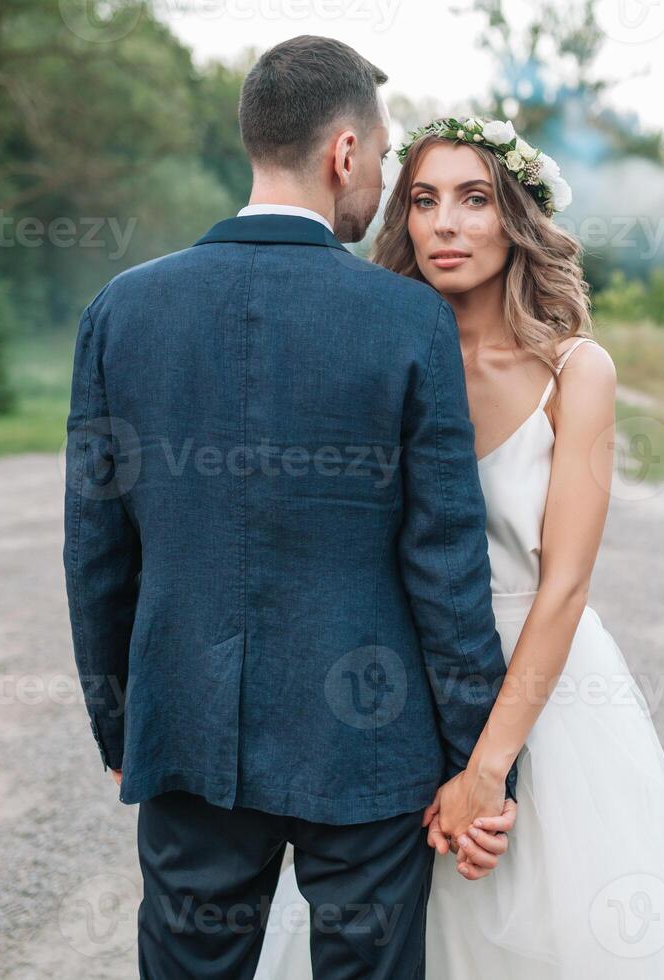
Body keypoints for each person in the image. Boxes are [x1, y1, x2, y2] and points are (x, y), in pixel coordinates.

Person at [63, 35, 517, 979]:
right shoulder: (408, 321)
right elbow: (445, 561)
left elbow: (97, 554)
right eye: (387, 159)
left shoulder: (122, 310)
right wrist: (481, 758)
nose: (384, 184)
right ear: (343, 152)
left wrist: (122, 725)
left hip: (183, 732)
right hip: (371, 745)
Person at [253, 115, 664, 977]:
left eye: (475, 199)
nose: (446, 223)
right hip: (395, 686)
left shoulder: (576, 370)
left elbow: (566, 589)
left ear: (517, 218)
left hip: (544, 693)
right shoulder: (373, 356)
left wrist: (486, 769)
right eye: (425, 200)